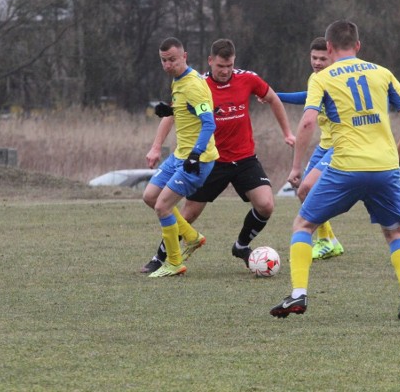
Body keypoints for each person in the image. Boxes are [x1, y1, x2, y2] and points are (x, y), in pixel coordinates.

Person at [270, 20, 400, 320]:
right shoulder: (382, 73)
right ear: (358, 46)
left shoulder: (323, 78)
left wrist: (297, 164)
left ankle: (298, 294)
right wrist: (398, 153)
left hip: (346, 166)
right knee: (394, 232)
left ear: (328, 47)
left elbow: (309, 122)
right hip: (385, 168)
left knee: (303, 226)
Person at [140, 38, 296, 274]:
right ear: (210, 61)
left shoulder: (247, 78)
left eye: (229, 66)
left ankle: (241, 245)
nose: (225, 71)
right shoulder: (198, 84)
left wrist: (287, 133)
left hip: (244, 158)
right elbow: (172, 114)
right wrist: (155, 146)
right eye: (220, 66)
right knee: (187, 213)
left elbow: (272, 98)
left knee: (266, 204)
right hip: (212, 160)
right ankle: (161, 256)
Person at [141, 37, 219, 278]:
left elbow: (209, 123)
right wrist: (172, 110)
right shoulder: (178, 81)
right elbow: (191, 112)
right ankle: (192, 237)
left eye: (172, 59)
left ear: (184, 56)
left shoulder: (193, 84)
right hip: (180, 154)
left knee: (163, 206)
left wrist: (195, 154)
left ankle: (174, 263)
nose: (168, 64)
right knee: (150, 196)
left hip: (197, 159)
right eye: (164, 60)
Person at [276, 37, 345, 260]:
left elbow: (308, 119)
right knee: (303, 191)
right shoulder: (316, 78)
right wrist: (275, 97)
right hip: (325, 145)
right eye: (314, 58)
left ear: (332, 57)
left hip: (341, 144)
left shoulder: (337, 79)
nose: (317, 62)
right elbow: (308, 97)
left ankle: (323, 239)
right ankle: (329, 240)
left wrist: (273, 97)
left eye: (322, 58)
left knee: (307, 188)